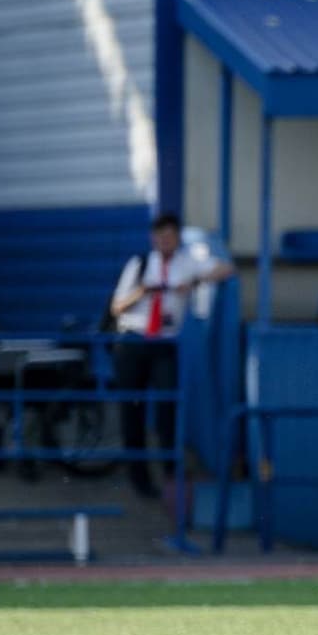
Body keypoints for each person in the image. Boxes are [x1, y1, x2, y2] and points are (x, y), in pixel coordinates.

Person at [108, 212, 233, 499]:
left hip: (164, 342)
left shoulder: (187, 262)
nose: (165, 241)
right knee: (132, 412)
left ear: (177, 238)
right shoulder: (139, 263)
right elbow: (117, 307)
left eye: (170, 236)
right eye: (160, 236)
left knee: (167, 408)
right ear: (153, 238)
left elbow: (226, 269)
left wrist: (195, 282)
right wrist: (143, 292)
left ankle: (170, 474)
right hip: (134, 341)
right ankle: (139, 479)